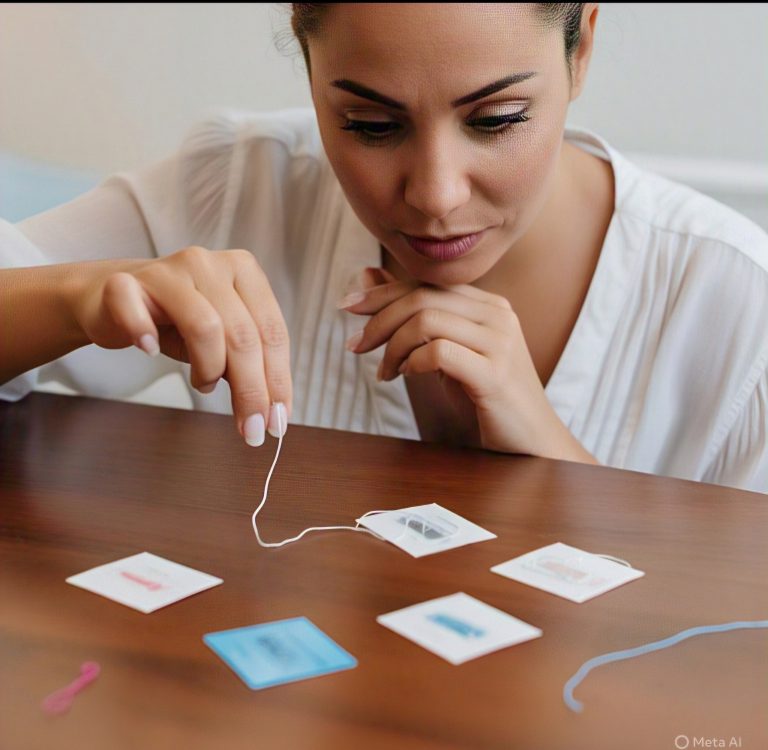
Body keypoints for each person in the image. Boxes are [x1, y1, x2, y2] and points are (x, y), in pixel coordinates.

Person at [1, 3, 767, 492]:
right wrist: (75, 295)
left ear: (582, 49)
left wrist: (554, 464)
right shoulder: (243, 183)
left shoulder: (735, 305)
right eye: (372, 125)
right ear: (309, 68)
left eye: (497, 118)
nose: (435, 195)